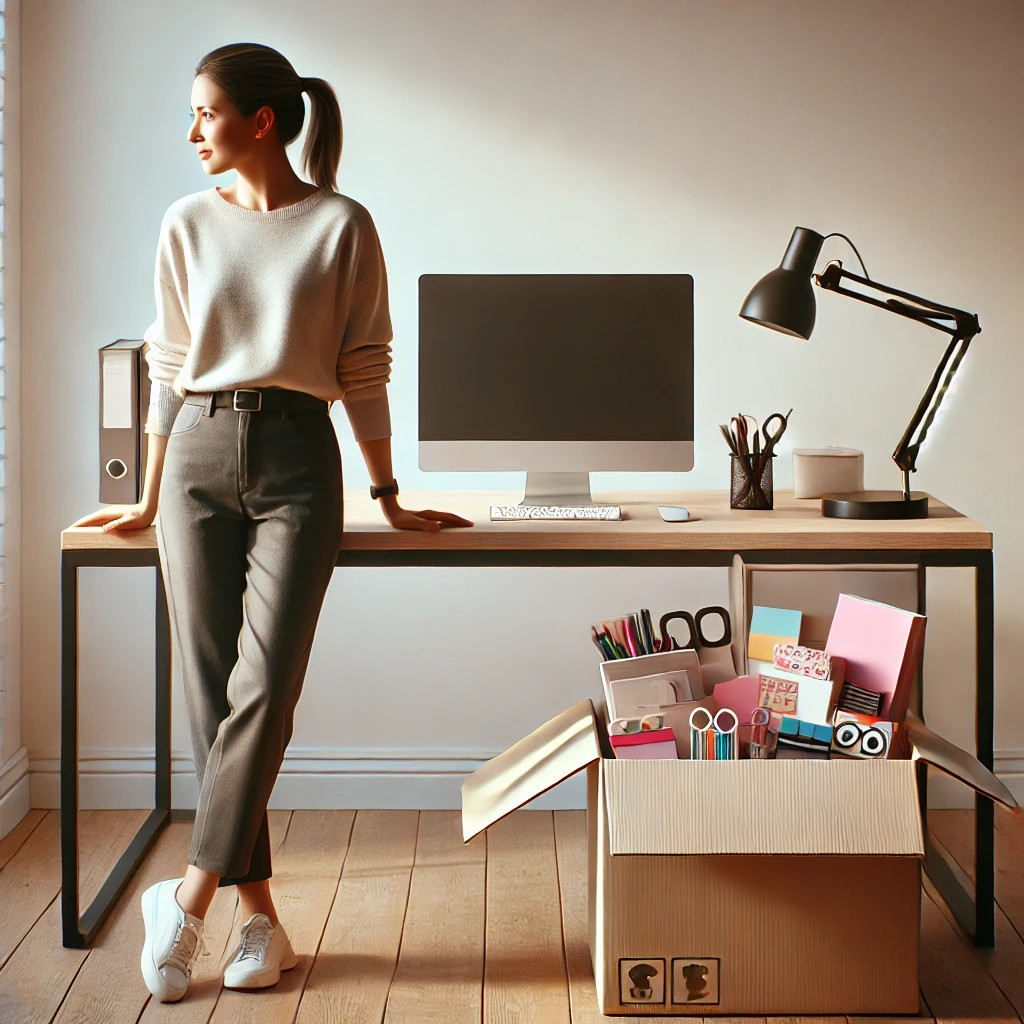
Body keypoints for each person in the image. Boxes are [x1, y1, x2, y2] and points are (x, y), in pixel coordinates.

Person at [71, 42, 473, 1002]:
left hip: (300, 457)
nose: (191, 132)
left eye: (205, 112)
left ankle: (186, 898)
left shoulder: (341, 225)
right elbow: (170, 366)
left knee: (266, 687)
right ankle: (261, 919)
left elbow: (364, 364)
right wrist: (145, 494)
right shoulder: (185, 222)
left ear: (260, 120)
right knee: (212, 691)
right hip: (196, 458)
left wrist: (387, 493)